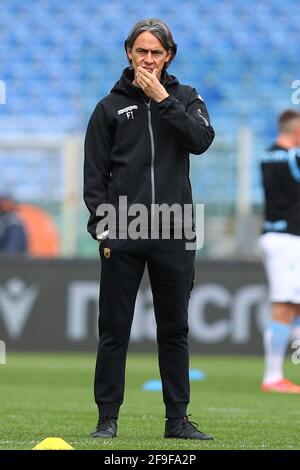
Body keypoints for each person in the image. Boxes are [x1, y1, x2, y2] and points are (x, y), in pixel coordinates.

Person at [84, 18, 215, 439]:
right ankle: (107, 420)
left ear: (169, 55)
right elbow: (94, 177)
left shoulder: (188, 97)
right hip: (122, 228)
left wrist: (163, 101)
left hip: (175, 229)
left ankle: (177, 421)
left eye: (156, 52)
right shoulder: (109, 107)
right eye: (141, 51)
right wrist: (103, 228)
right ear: (129, 53)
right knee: (114, 328)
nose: (148, 59)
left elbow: (201, 140)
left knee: (174, 328)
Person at [260, 109, 300, 393]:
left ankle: (276, 374)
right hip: (286, 239)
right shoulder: (292, 158)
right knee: (284, 307)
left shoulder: (268, 155)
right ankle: (272, 376)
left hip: (278, 235)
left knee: (294, 306)